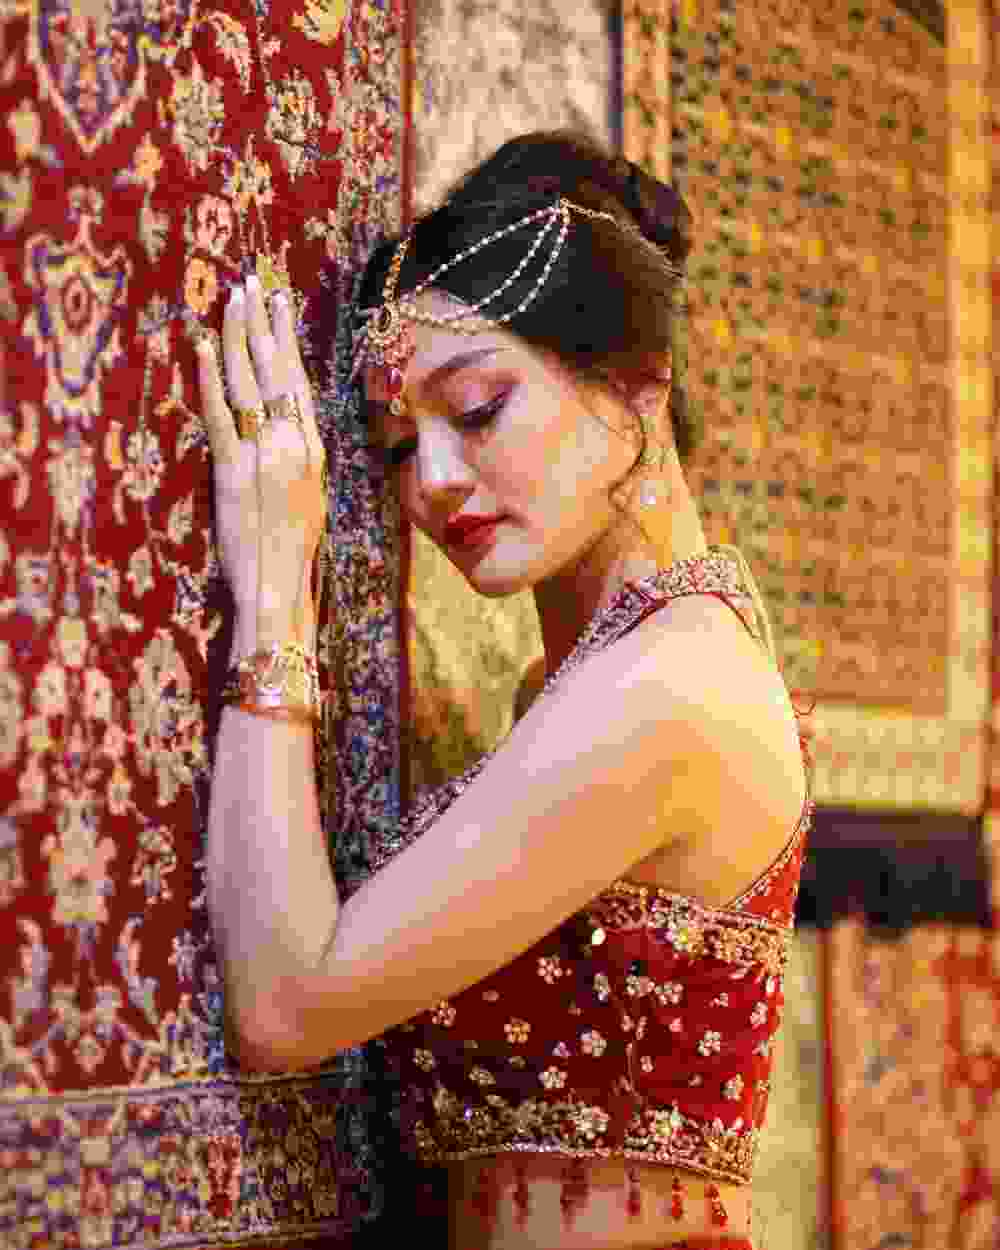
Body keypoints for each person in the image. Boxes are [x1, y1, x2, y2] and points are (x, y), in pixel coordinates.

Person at [199, 129, 815, 1250]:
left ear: (636, 379)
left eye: (478, 409)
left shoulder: (668, 688)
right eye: (395, 449)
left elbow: (283, 1007)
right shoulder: (591, 675)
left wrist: (276, 593)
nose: (432, 483)